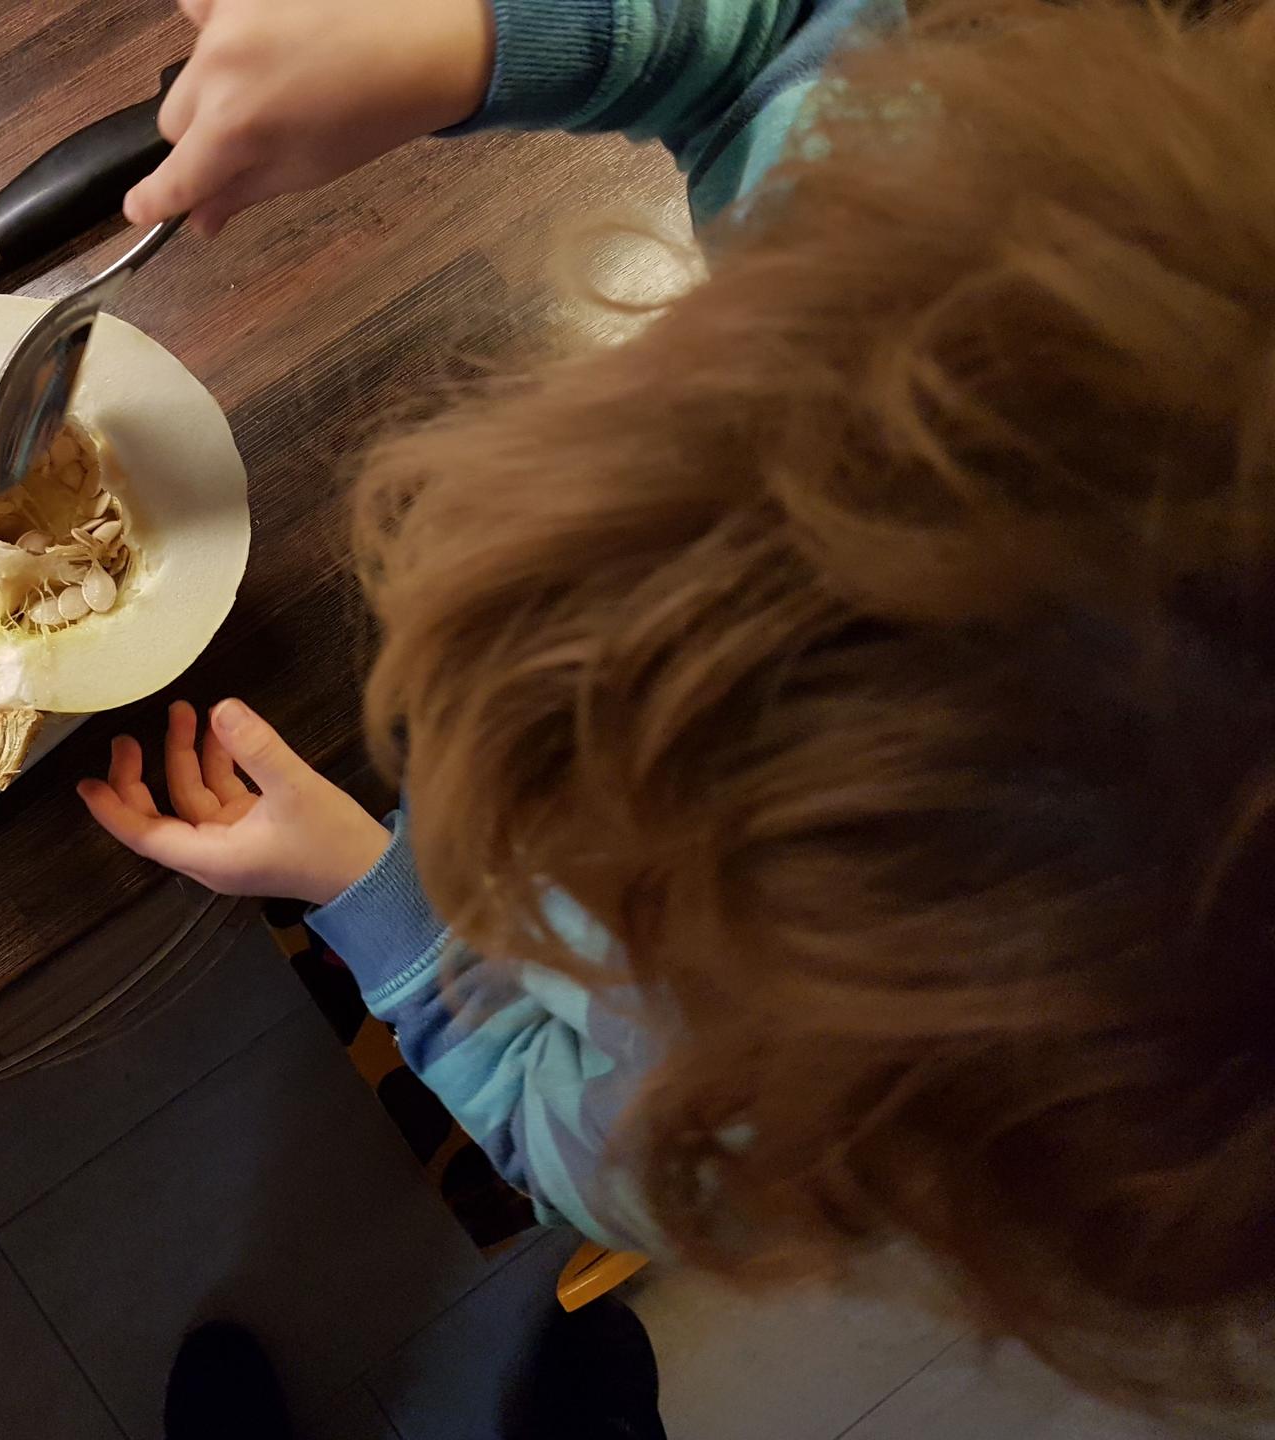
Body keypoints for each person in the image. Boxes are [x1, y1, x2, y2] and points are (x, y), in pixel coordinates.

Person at [85, 0, 1275, 1424]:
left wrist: (364, 883)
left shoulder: (720, 1125)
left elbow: (541, 1118)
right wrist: (470, 46)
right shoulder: (967, 237)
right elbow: (792, 34)